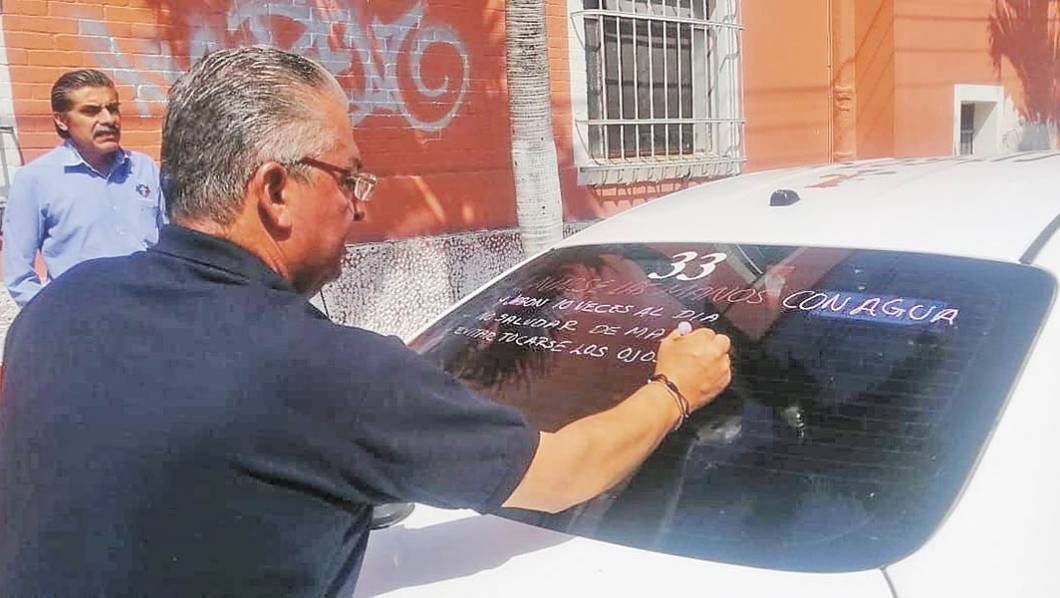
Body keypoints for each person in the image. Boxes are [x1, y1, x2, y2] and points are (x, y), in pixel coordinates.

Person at [0, 47, 732, 597]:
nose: (360, 203)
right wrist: (676, 388)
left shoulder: (60, 307)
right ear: (275, 190)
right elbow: (563, 471)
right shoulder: (326, 371)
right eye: (348, 178)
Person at [1, 69, 164, 307]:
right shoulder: (35, 180)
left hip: (150, 309)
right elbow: (19, 276)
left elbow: (169, 241)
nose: (108, 119)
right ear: (61, 120)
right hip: (84, 318)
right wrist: (56, 317)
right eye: (91, 111)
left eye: (113, 108)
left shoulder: (143, 168)